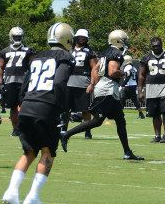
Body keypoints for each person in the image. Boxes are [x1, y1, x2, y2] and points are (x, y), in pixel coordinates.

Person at [2, 22, 75, 204]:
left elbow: (25, 86)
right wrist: (62, 107)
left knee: (29, 152)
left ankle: (11, 191)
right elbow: (59, 82)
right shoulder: (65, 56)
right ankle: (33, 196)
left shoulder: (37, 56)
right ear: (67, 38)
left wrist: (24, 103)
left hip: (26, 106)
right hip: (46, 106)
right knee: (48, 152)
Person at [60, 30, 143, 161]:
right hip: (108, 89)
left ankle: (127, 152)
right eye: (124, 40)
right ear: (118, 40)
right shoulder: (116, 53)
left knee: (120, 120)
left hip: (106, 88)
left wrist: (95, 83)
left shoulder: (106, 52)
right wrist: (124, 73)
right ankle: (67, 134)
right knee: (97, 121)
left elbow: (95, 69)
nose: (125, 43)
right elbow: (112, 71)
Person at [138, 36, 165, 143]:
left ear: (162, 44)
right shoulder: (146, 57)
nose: (156, 48)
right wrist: (140, 91)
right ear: (151, 46)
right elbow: (142, 75)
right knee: (155, 113)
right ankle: (157, 135)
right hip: (151, 87)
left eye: (158, 46)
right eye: (154, 46)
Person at [0, 26, 34, 138]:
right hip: (10, 82)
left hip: (24, 82)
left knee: (25, 106)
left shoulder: (29, 50)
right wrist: (0, 83)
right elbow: (0, 68)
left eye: (19, 37)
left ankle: (26, 129)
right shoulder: (4, 51)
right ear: (11, 37)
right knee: (13, 107)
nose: (17, 39)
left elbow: (33, 66)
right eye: (15, 37)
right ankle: (16, 129)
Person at [66, 28, 97, 140]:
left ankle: (87, 131)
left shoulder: (90, 52)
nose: (82, 39)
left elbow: (94, 68)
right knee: (67, 109)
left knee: (85, 109)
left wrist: (92, 84)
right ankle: (64, 130)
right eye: (80, 37)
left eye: (84, 37)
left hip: (84, 82)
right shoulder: (69, 50)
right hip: (69, 82)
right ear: (76, 38)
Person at [119, 54, 144, 118]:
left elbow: (128, 76)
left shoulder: (128, 67)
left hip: (129, 85)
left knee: (124, 99)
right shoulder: (133, 67)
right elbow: (137, 77)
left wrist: (122, 85)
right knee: (124, 99)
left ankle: (119, 114)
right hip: (132, 85)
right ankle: (141, 113)